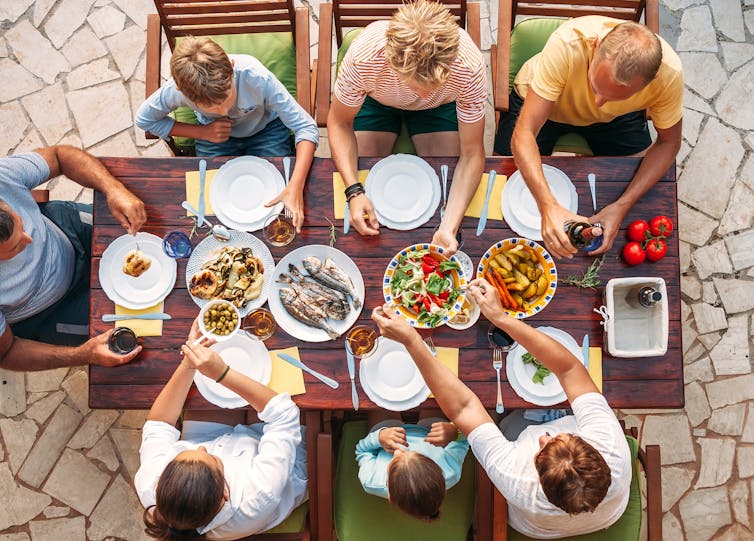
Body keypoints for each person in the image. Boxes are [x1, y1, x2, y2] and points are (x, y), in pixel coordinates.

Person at [370, 278, 632, 538]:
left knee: (507, 426)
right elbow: (570, 368)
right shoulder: (609, 443)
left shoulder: (515, 476)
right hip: (606, 515)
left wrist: (413, 342)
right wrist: (502, 318)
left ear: (538, 476)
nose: (544, 434)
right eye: (564, 438)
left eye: (543, 446)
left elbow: (464, 409)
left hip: (536, 527)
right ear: (596, 451)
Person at [494, 16, 683, 259]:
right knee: (504, 175)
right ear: (596, 45)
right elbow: (525, 132)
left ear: (653, 78)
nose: (598, 103)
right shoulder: (566, 44)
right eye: (595, 87)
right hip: (546, 105)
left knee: (627, 181)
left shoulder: (670, 74)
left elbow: (668, 143)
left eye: (615, 95)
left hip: (615, 120)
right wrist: (548, 206)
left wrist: (621, 207)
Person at [328, 0, 486, 254]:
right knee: (366, 173)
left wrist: (449, 227)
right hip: (377, 100)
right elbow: (338, 121)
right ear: (391, 60)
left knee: (443, 177)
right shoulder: (364, 55)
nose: (422, 94)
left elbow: (472, 152)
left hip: (440, 105)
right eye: (415, 84)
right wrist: (354, 191)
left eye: (430, 83)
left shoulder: (468, 66)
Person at [135, 320, 307, 540]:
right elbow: (283, 414)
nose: (203, 450)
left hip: (213, 435)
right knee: (276, 382)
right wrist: (222, 373)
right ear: (224, 495)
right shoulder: (258, 496)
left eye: (189, 453)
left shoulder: (152, 487)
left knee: (210, 392)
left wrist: (188, 363)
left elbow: (159, 425)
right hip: (282, 462)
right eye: (212, 458)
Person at [135, 36, 319, 231]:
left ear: (232, 67)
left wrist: (296, 186)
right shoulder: (175, 91)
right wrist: (202, 132)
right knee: (215, 210)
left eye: (227, 96)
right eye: (210, 106)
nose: (223, 112)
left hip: (266, 130)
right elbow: (144, 119)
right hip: (212, 137)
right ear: (181, 91)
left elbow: (306, 127)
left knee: (277, 202)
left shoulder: (256, 77)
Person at [0, 146, 147, 371]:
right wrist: (84, 354)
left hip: (67, 229)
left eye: (21, 223)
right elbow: (8, 353)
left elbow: (60, 156)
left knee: (150, 234)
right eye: (15, 248)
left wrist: (113, 189)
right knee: (142, 329)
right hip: (52, 310)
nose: (29, 240)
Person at [355, 410, 469, 520]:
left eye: (394, 459)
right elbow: (464, 439)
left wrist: (379, 437)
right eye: (417, 453)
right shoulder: (450, 473)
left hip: (387, 430)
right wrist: (455, 432)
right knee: (433, 393)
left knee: (378, 397)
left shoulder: (371, 480)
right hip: (429, 430)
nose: (399, 450)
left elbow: (362, 451)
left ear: (390, 495)